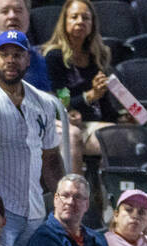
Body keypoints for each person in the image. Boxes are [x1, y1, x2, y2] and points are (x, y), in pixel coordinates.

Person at [0, 30, 65, 246]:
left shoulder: (44, 102)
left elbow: (51, 157)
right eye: (4, 54)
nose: (11, 60)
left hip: (35, 209)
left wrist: (61, 200)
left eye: (17, 55)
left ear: (27, 59)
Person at [41, 0, 118, 173]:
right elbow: (63, 101)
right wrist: (90, 96)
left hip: (96, 123)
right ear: (65, 22)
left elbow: (104, 104)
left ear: (92, 24)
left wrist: (120, 118)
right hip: (71, 125)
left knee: (129, 134)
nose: (80, 21)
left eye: (85, 18)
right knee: (117, 137)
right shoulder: (55, 57)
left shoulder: (97, 57)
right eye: (74, 17)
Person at [0, 0, 51, 91]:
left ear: (28, 15)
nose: (12, 16)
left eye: (18, 10)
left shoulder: (37, 58)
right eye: (5, 11)